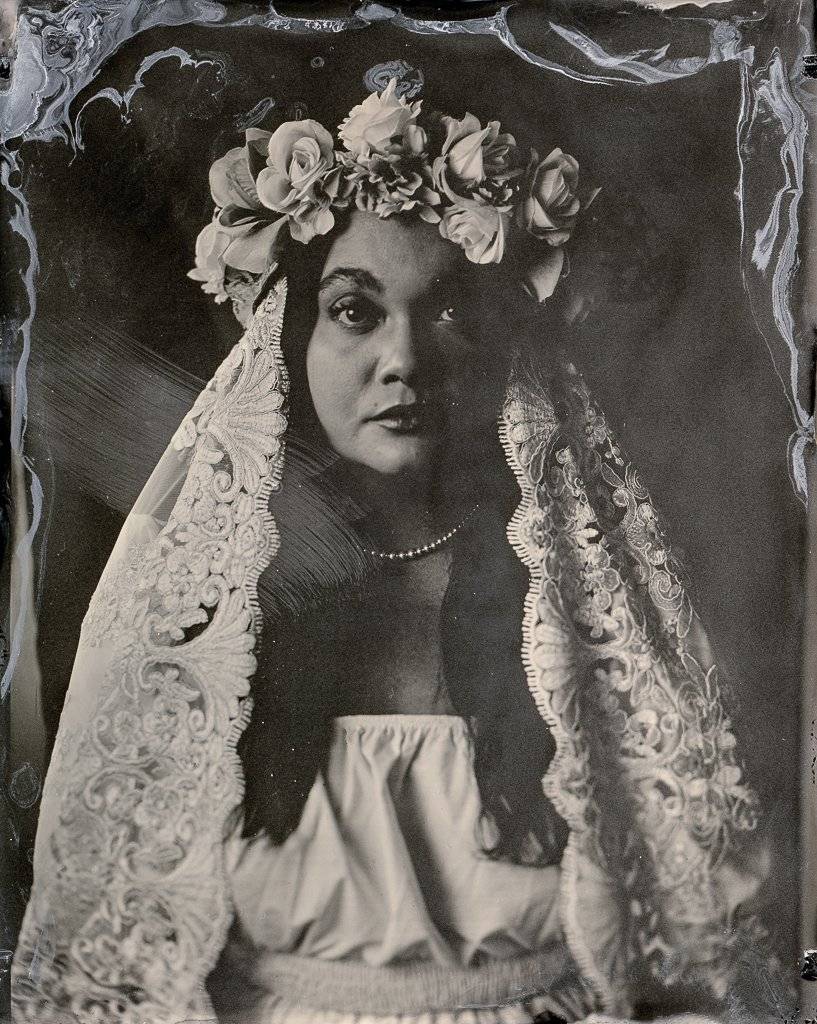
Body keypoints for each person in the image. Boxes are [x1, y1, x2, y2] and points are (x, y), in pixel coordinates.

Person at [12, 79, 787, 1024]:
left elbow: (696, 948)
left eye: (452, 314)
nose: (405, 360)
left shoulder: (566, 612)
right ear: (288, 341)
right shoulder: (212, 621)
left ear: (507, 347)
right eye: (354, 311)